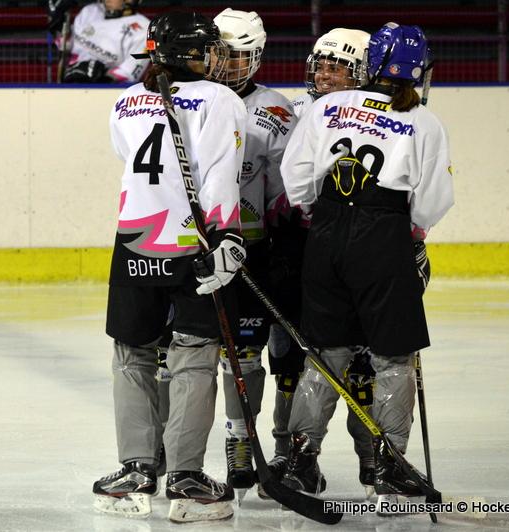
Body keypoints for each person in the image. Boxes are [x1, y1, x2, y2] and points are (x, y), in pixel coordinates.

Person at [280, 22, 453, 508]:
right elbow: (433, 201)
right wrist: (408, 232)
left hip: (326, 233)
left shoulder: (329, 106)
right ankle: (389, 466)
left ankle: (300, 459)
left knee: (324, 351)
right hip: (384, 238)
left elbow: (296, 177)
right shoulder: (424, 121)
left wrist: (321, 215)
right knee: (393, 357)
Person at [94, 11, 248, 523]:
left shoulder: (125, 101)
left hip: (135, 242)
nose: (215, 58)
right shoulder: (220, 99)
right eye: (207, 50)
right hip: (193, 245)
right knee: (194, 356)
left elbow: (127, 154)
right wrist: (227, 236)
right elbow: (220, 176)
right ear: (190, 55)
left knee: (132, 353)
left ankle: (136, 470)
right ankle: (184, 475)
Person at [276, 26, 379, 501]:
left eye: (337, 67)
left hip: (360, 248)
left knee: (365, 363)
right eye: (320, 64)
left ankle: (375, 459)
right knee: (296, 357)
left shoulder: (386, 115)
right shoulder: (296, 110)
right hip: (304, 248)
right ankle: (294, 455)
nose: (324, 74)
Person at [204, 7, 299, 497]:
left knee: (248, 353)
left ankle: (248, 442)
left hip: (252, 251)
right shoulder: (191, 98)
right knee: (182, 354)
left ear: (257, 57)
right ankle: (171, 449)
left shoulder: (275, 110)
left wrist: (286, 242)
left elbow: (288, 190)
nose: (228, 64)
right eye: (221, 53)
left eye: (239, 55)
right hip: (194, 248)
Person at [46, 0, 149, 83]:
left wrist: (101, 79)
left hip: (107, 93)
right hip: (71, 79)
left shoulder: (144, 29)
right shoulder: (90, 11)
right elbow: (66, 45)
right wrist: (59, 28)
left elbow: (129, 73)